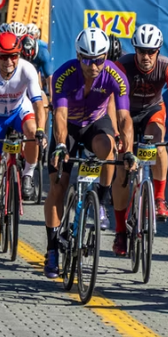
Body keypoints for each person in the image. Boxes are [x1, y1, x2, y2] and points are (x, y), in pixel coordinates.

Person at [42, 28, 136, 278]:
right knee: (58, 186)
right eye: (86, 60)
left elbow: (124, 118)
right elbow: (59, 116)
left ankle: (101, 200)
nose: (93, 66)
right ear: (78, 56)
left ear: (105, 56)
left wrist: (128, 151)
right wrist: (61, 146)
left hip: (95, 123)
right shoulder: (63, 75)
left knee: (109, 148)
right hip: (69, 126)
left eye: (98, 60)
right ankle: (52, 248)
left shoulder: (115, 75)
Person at [0, 32, 46, 243]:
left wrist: (41, 129)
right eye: (3, 56)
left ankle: (28, 175)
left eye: (13, 56)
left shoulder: (27, 69)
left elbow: (38, 103)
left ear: (19, 55)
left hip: (19, 111)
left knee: (32, 132)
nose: (9, 61)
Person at [116, 24, 168, 230]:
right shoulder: (122, 65)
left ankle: (159, 197)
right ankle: (120, 229)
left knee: (157, 143)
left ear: (158, 51)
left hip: (152, 110)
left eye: (151, 52)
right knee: (121, 168)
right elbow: (113, 101)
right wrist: (116, 132)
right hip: (127, 111)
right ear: (135, 49)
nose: (146, 56)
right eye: (141, 51)